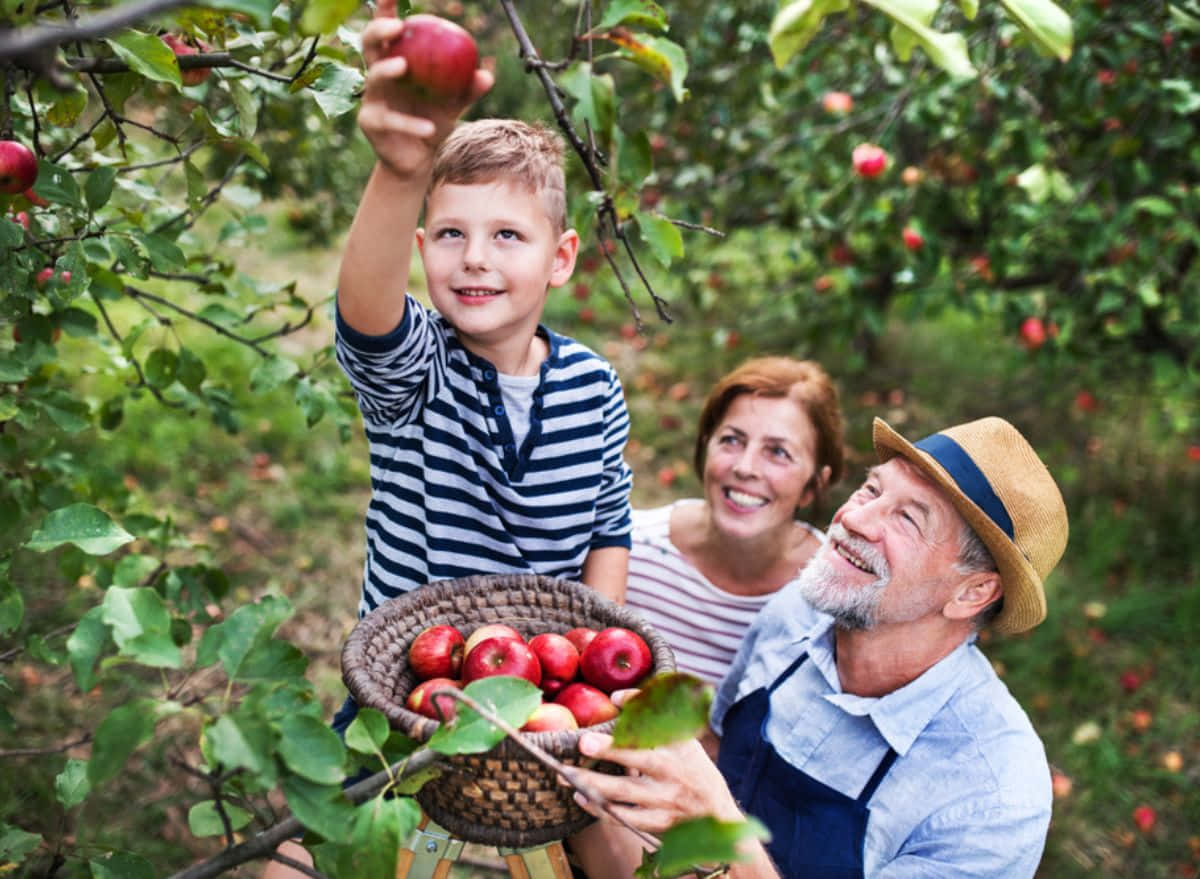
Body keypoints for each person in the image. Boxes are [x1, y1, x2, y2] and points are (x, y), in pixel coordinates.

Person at [264, 3, 634, 874]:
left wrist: (600, 676)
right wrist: (401, 174)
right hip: (402, 693)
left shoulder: (592, 387)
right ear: (423, 248)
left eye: (508, 235)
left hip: (542, 692)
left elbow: (607, 530)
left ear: (562, 256)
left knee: (613, 839)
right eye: (454, 236)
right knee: (297, 854)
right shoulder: (419, 370)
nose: (476, 258)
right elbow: (366, 316)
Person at [567, 415, 1069, 879]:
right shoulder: (796, 613)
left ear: (972, 592)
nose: (857, 519)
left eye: (909, 519)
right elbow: (719, 750)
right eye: (871, 488)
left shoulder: (992, 795)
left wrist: (717, 821)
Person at [625, 357, 844, 690]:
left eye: (778, 452)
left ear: (815, 483)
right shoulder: (630, 549)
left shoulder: (834, 597)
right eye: (731, 440)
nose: (745, 466)